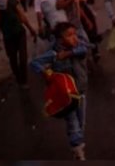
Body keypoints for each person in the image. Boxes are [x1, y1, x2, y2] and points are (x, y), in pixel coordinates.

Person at [30, 22, 91, 160]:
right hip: (66, 96)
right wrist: (46, 72)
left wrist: (68, 54)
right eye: (69, 35)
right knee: (73, 123)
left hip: (80, 92)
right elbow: (34, 63)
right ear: (60, 39)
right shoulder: (53, 53)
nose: (74, 38)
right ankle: (78, 152)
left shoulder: (79, 47)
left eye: (75, 34)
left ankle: (77, 145)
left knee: (81, 122)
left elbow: (84, 50)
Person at [0, 0, 38, 88]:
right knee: (13, 59)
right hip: (8, 35)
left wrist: (31, 29)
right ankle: (18, 79)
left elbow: (22, 15)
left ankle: (24, 81)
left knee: (23, 58)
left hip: (19, 31)